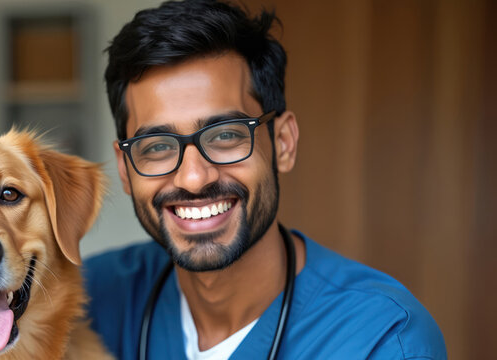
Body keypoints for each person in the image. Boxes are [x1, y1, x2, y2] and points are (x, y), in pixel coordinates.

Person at [83, 0, 447, 359]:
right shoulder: (89, 299)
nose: (193, 178)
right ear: (125, 167)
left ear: (284, 143)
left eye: (225, 135)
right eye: (157, 145)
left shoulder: (381, 339)